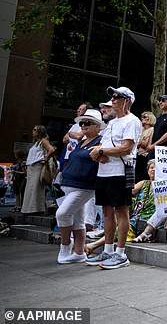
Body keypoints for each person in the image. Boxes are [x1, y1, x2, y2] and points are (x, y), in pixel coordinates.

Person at [87, 86, 142, 269]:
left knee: (121, 211)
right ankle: (108, 250)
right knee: (107, 211)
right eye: (113, 96)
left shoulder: (132, 121)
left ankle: (120, 253)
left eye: (118, 96)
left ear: (127, 100)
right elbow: (102, 146)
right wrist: (97, 154)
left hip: (121, 171)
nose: (113, 99)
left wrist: (100, 151)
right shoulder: (111, 123)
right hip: (105, 171)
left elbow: (126, 148)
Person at [56, 109, 104, 264]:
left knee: (62, 214)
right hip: (70, 184)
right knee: (78, 220)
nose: (83, 125)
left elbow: (104, 159)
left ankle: (65, 245)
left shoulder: (100, 142)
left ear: (97, 126)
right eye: (82, 123)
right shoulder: (82, 141)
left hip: (84, 185)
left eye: (87, 123)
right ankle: (78, 252)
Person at [21, 125, 55, 215]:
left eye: (35, 130)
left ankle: (35, 209)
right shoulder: (36, 143)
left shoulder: (43, 141)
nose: (33, 131)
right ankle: (29, 209)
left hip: (37, 166)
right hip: (31, 167)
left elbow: (51, 149)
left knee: (35, 188)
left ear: (40, 131)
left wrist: (45, 159)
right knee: (30, 188)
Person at [61, 102, 90, 170]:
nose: (78, 110)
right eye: (78, 108)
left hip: (76, 157)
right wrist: (73, 135)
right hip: (67, 156)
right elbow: (64, 140)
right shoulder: (75, 125)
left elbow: (79, 136)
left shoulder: (87, 126)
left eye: (81, 109)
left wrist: (70, 134)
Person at [135, 111, 156, 182]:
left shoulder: (151, 129)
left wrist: (139, 142)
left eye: (145, 117)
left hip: (145, 155)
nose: (142, 119)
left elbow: (145, 144)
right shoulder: (142, 130)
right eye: (142, 117)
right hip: (139, 154)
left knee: (144, 175)